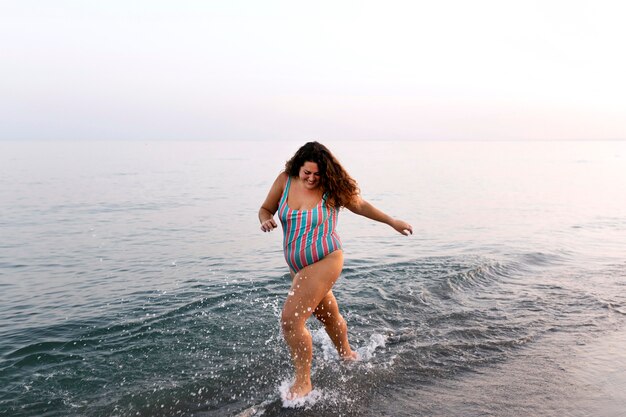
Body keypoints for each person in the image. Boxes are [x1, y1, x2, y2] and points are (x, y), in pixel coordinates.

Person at [258, 141, 412, 400]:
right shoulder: (285, 181)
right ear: (298, 167)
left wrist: (392, 221)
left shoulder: (331, 189)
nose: (311, 179)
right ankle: (347, 354)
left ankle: (303, 382)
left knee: (291, 320)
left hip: (327, 257)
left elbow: (360, 205)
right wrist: (266, 221)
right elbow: (265, 209)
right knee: (326, 313)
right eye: (307, 173)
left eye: (317, 174)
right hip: (298, 267)